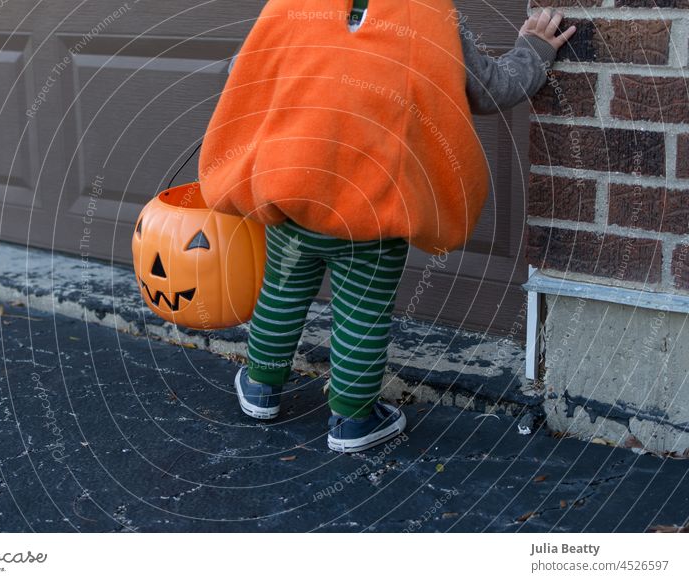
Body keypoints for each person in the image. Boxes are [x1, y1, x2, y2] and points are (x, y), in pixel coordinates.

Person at [208, 3, 576, 453]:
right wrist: (533, 50)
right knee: (363, 314)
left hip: (295, 192)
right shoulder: (430, 13)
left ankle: (261, 386)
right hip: (375, 207)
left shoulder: (292, 5)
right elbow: (487, 89)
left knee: (282, 292)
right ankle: (352, 420)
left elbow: (244, 70)